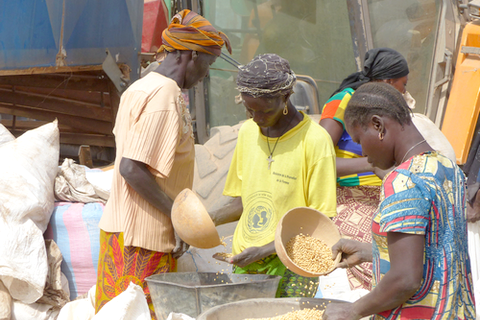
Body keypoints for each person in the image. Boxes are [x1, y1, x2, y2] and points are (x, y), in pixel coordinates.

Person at [94, 10, 231, 319]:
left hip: (124, 233)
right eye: (207, 64)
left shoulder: (143, 87)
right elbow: (131, 168)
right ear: (190, 55)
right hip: (142, 240)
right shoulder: (163, 94)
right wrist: (179, 218)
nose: (206, 74)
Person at [322, 82, 475, 320]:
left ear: (377, 125)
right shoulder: (446, 167)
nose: (362, 153)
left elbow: (405, 279)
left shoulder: (403, 181)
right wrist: (371, 252)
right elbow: (436, 249)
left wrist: (351, 311)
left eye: (360, 140)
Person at [219, 53, 337, 297]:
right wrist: (203, 221)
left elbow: (319, 222)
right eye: (249, 110)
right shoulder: (247, 133)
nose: (257, 119)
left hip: (292, 266)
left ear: (285, 97)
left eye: (265, 111)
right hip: (246, 261)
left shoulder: (315, 141)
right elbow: (243, 199)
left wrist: (265, 250)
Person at [319, 48, 412, 290]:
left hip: (383, 197)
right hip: (351, 200)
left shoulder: (387, 109)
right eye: (403, 85)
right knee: (385, 270)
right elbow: (316, 162)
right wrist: (373, 165)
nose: (405, 92)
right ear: (389, 82)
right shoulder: (345, 100)